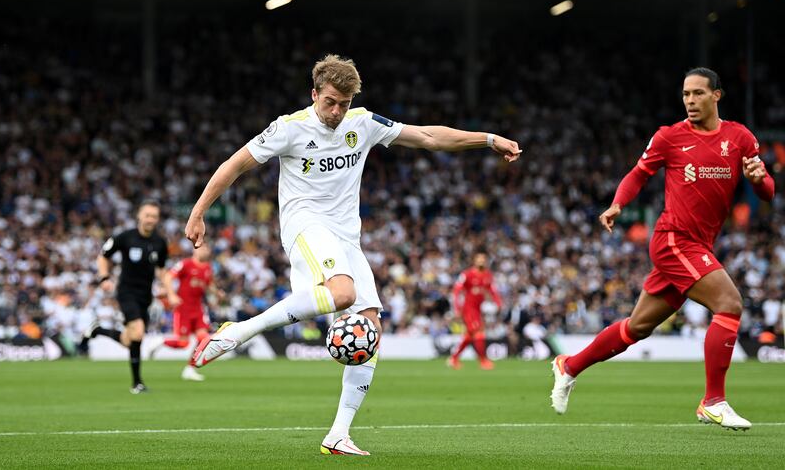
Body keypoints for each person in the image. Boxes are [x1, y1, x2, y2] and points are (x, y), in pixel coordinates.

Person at [184, 54, 521, 455]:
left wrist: (486, 138)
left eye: (343, 103)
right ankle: (239, 331)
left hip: (347, 237)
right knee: (342, 294)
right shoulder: (289, 128)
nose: (337, 111)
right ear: (314, 94)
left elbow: (429, 138)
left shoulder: (363, 123)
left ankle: (338, 434)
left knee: (370, 328)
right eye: (330, 101)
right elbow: (235, 164)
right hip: (306, 226)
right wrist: (199, 210)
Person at [550, 68, 775, 430]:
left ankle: (569, 365)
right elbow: (638, 173)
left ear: (717, 96)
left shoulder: (740, 138)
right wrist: (617, 204)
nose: (690, 101)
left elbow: (767, 192)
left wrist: (759, 178)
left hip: (698, 244)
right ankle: (713, 401)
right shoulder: (670, 137)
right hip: (673, 239)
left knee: (636, 328)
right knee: (729, 303)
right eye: (685, 94)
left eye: (698, 93)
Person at [83, 200, 169, 394]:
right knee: (138, 333)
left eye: (154, 216)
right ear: (139, 216)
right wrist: (104, 277)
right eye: (147, 215)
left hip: (146, 296)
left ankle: (99, 331)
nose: (151, 220)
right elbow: (103, 256)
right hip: (126, 292)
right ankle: (136, 383)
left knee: (130, 340)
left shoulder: (160, 242)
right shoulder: (125, 237)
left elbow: (162, 269)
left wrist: (167, 289)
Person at [149, 243, 219, 381]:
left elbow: (209, 285)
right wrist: (171, 295)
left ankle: (189, 369)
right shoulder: (185, 264)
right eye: (202, 248)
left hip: (198, 309)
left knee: (204, 339)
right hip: (183, 308)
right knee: (183, 344)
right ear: (195, 250)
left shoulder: (208, 268)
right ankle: (161, 342)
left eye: (207, 248)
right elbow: (168, 277)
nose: (205, 251)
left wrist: (217, 293)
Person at [447, 251, 502, 370]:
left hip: (477, 309)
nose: (481, 261)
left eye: (483, 259)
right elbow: (456, 291)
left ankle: (454, 358)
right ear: (474, 261)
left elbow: (492, 290)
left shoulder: (487, 275)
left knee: (469, 335)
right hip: (468, 308)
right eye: (479, 259)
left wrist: (498, 302)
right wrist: (457, 308)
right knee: (479, 332)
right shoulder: (467, 274)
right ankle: (483, 360)